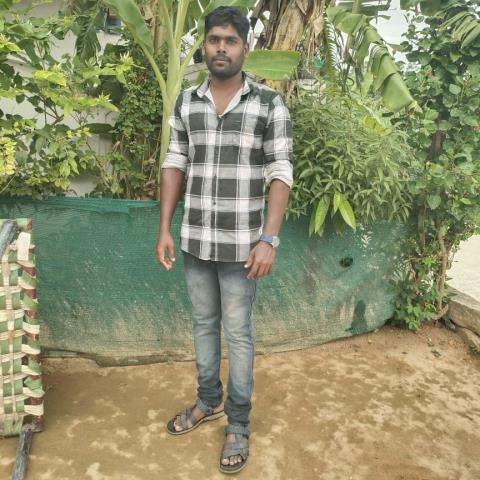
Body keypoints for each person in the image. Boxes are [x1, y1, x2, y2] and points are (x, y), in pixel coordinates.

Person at [156, 6, 293, 474]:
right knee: (203, 325)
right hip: (195, 241)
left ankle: (237, 422)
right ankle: (208, 400)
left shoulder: (268, 104)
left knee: (238, 334)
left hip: (242, 249)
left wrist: (269, 238)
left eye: (230, 41)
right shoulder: (186, 103)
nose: (221, 48)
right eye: (214, 39)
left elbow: (280, 171)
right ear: (205, 45)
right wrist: (165, 228)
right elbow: (174, 163)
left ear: (244, 48)